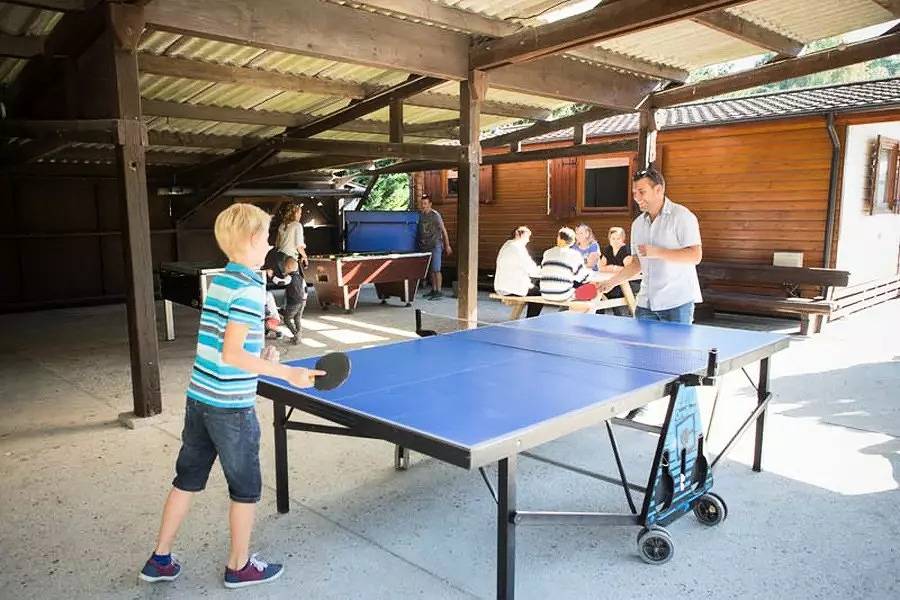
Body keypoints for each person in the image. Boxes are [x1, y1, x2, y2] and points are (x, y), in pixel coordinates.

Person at [139, 203, 324, 589]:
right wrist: (288, 373)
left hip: (200, 400)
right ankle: (239, 566)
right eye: (267, 236)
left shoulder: (223, 281)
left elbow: (228, 348)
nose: (270, 244)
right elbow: (233, 354)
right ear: (254, 239)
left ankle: (160, 559)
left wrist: (260, 358)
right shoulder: (248, 289)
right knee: (246, 489)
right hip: (230, 410)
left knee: (186, 479)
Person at [598, 166, 703, 323]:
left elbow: (695, 256)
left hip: (677, 303)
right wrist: (611, 282)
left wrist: (658, 252)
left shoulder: (682, 216)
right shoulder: (637, 224)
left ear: (658, 190)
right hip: (645, 304)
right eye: (634, 193)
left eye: (642, 192)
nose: (636, 197)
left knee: (675, 342)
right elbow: (636, 264)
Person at [494, 226, 543, 318]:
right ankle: (531, 320)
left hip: (501, 286)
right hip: (511, 288)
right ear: (518, 234)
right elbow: (531, 269)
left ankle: (518, 318)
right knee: (538, 294)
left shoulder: (507, 245)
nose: (528, 240)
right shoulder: (517, 247)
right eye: (527, 237)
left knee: (533, 289)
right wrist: (540, 270)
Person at [539, 227, 592, 306]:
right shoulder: (574, 255)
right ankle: (588, 313)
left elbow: (543, 270)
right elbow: (583, 278)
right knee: (592, 290)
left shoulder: (547, 252)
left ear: (559, 238)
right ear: (572, 242)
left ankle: (565, 311)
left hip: (545, 293)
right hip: (562, 294)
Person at [416, 194, 452, 300]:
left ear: (430, 204)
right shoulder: (420, 215)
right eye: (422, 203)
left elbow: (443, 230)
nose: (423, 206)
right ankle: (433, 289)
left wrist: (447, 245)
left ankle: (439, 291)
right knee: (431, 269)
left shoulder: (435, 215)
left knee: (436, 269)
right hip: (425, 246)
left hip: (435, 245)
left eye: (425, 203)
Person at [598, 226, 637, 317]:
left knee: (611, 291)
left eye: (618, 238)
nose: (615, 241)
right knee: (598, 290)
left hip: (626, 282)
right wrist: (614, 268)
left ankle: (620, 316)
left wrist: (613, 268)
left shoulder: (626, 250)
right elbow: (601, 267)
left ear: (623, 239)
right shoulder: (608, 249)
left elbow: (629, 269)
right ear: (609, 239)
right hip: (612, 280)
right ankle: (599, 316)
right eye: (613, 238)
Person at [278, 256, 307, 345]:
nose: (283, 269)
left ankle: (296, 334)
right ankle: (298, 336)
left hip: (294, 302)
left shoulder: (289, 277)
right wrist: (304, 300)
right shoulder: (301, 277)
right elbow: (305, 289)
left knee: (286, 319)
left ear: (289, 268)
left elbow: (280, 283)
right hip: (302, 301)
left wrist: (272, 277)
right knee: (297, 319)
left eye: (284, 268)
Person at [274, 202, 308, 269]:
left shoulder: (281, 225)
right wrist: (305, 256)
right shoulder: (297, 225)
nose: (300, 215)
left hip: (279, 258)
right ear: (295, 214)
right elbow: (299, 246)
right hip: (290, 260)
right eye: (300, 213)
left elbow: (277, 244)